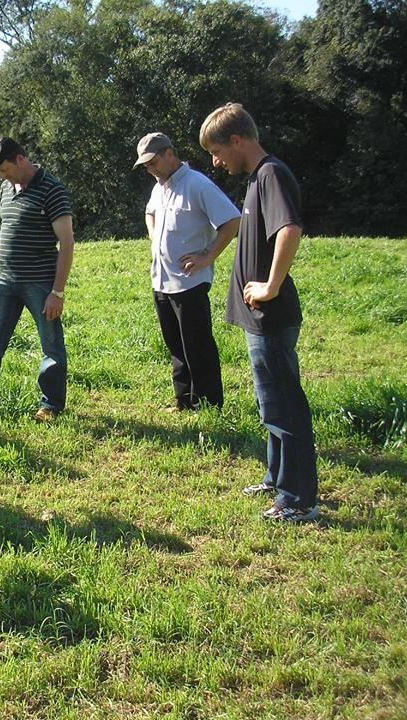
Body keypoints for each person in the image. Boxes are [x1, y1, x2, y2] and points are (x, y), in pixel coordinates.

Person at [199, 103, 319, 522]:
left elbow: (289, 229)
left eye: (217, 152)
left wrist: (270, 285)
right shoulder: (257, 179)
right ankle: (276, 478)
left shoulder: (271, 175)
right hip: (258, 317)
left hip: (271, 315)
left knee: (284, 405)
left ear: (237, 140)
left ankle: (299, 499)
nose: (216, 162)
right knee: (270, 403)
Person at [134, 132, 241, 411]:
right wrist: (155, 238)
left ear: (170, 154)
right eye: (145, 165)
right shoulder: (160, 186)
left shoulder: (197, 184)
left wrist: (207, 256)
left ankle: (207, 405)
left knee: (197, 346)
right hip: (161, 279)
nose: (150, 169)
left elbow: (231, 220)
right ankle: (184, 401)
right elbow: (150, 213)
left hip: (189, 282)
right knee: (175, 346)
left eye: (153, 162)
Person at [0, 136, 74, 422]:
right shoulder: (7, 188)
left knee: (51, 345)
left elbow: (66, 243)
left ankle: (51, 405)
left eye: (4, 169)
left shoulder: (52, 190)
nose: (1, 177)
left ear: (21, 159)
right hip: (2, 280)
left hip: (40, 283)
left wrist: (57, 292)